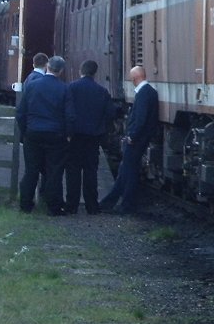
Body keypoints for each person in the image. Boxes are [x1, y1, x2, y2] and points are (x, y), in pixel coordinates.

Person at [99, 66, 159, 214]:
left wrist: (132, 136)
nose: (131, 81)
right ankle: (109, 202)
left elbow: (140, 119)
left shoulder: (143, 94)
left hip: (137, 140)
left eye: (132, 78)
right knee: (125, 170)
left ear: (135, 78)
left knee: (129, 171)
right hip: (141, 138)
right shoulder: (150, 92)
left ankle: (126, 205)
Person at [16, 56, 69, 215]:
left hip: (33, 133)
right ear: (60, 71)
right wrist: (67, 134)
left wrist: (25, 131)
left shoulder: (31, 86)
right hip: (55, 135)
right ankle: (54, 207)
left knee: (31, 170)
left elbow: (20, 112)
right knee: (54, 171)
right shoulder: (64, 88)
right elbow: (69, 115)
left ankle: (25, 205)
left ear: (47, 67)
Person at [64, 60, 115, 215]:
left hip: (74, 136)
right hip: (93, 137)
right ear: (95, 73)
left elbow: (66, 111)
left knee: (73, 171)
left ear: (81, 71)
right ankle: (92, 205)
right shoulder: (102, 91)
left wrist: (68, 132)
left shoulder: (71, 88)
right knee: (91, 171)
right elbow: (110, 114)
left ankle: (71, 205)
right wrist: (101, 128)